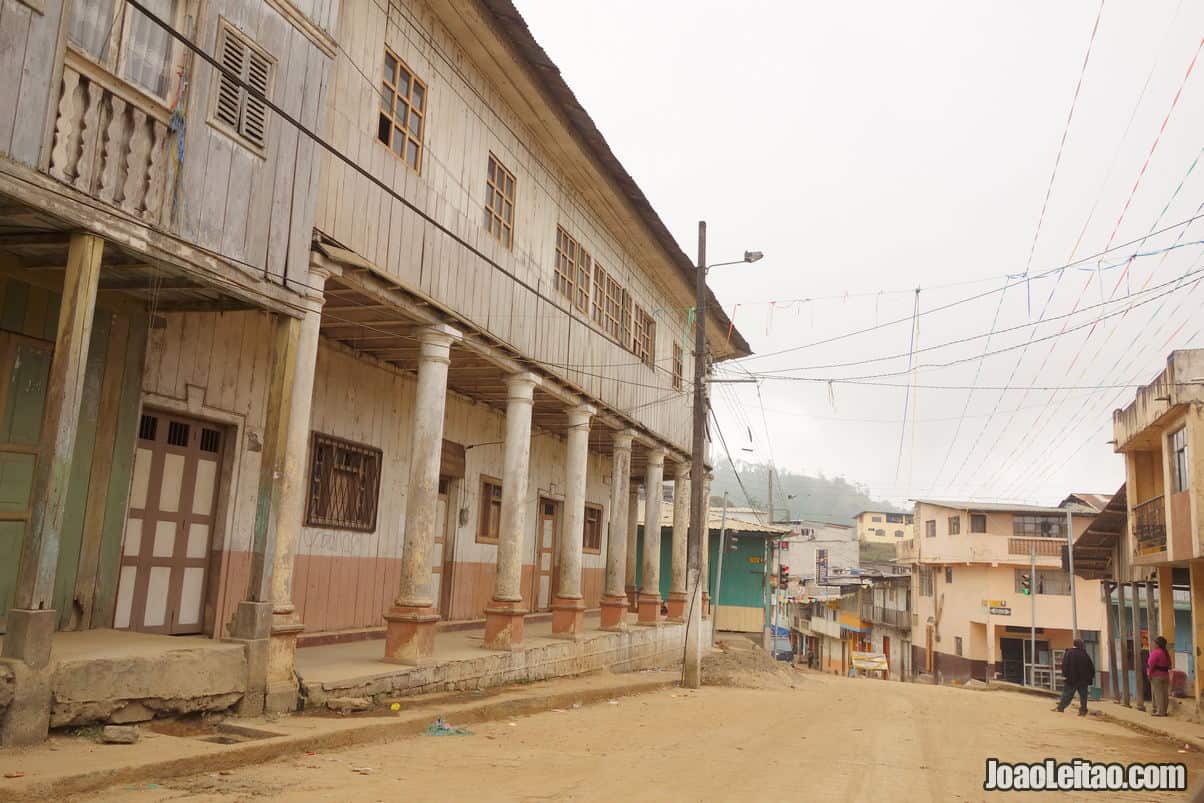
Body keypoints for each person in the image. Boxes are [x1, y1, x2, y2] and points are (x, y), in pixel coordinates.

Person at [1053, 639, 1095, 717]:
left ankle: (1060, 708)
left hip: (1071, 679)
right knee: (1083, 696)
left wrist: (1065, 674)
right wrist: (1090, 677)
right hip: (1083, 680)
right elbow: (1091, 667)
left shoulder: (1069, 652)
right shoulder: (1085, 654)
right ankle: (1083, 711)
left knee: (1067, 694)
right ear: (1080, 645)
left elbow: (1065, 665)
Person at [1148, 636, 1172, 717]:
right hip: (1165, 675)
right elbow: (1169, 665)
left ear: (1158, 644)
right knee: (1165, 694)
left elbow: (1151, 665)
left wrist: (1149, 674)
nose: (1153, 644)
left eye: (1154, 643)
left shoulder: (1155, 652)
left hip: (1156, 676)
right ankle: (1164, 711)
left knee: (1158, 694)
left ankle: (1160, 712)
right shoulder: (1166, 653)